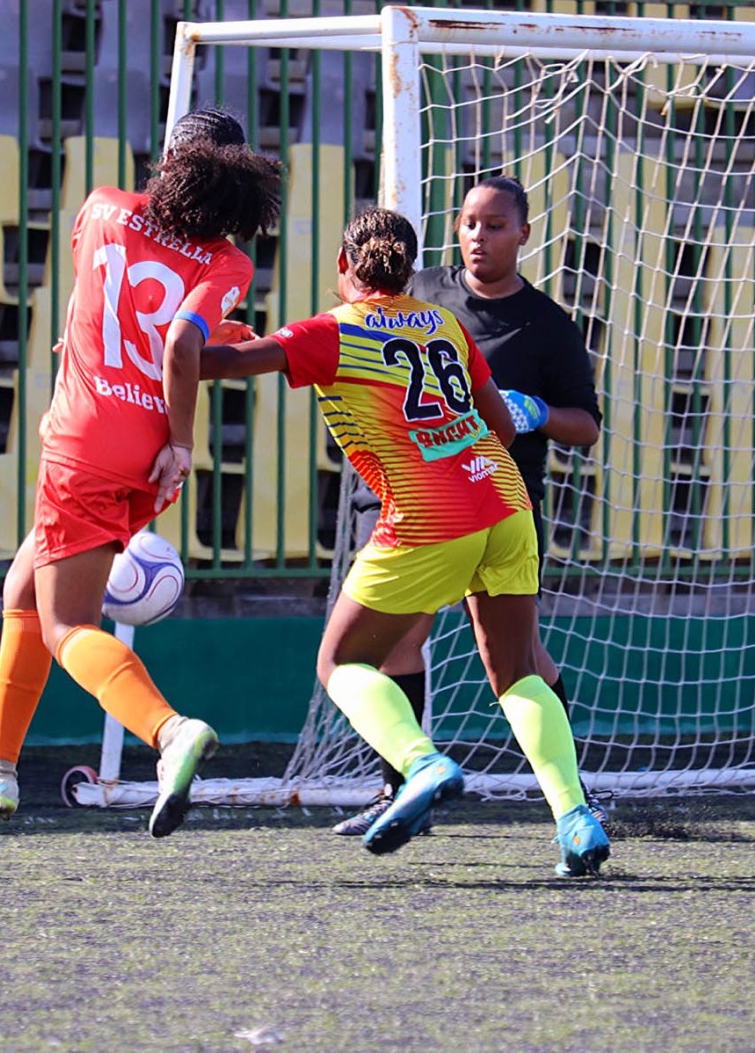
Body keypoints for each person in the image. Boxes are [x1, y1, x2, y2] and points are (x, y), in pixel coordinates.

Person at [0, 108, 283, 839]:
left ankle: (169, 731)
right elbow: (181, 342)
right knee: (23, 590)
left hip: (82, 446)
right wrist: (176, 443)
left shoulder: (103, 206)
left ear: (169, 163)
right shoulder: (229, 262)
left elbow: (150, 328)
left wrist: (181, 433)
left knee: (66, 624)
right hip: (142, 456)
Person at [200, 208, 610, 874]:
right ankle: (575, 819)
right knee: (516, 672)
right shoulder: (443, 322)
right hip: (504, 500)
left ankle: (421, 764)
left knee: (342, 663)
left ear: (343, 265)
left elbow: (209, 364)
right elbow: (504, 428)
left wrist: (181, 334)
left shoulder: (331, 331)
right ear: (410, 267)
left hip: (427, 516)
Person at [331, 175, 606, 838]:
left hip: (498, 497)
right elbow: (357, 329)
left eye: (495, 225)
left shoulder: (547, 325)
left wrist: (536, 412)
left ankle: (573, 801)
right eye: (469, 223)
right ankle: (401, 789)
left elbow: (587, 426)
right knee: (397, 640)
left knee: (516, 657)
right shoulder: (424, 295)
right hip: (407, 495)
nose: (479, 236)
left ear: (524, 233)